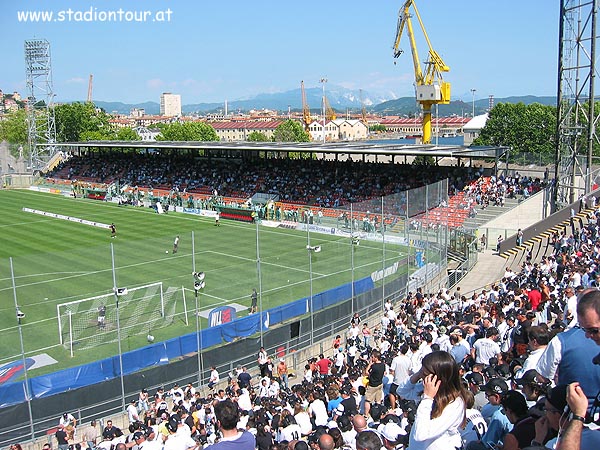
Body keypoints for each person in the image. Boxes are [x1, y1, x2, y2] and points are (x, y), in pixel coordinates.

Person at [395, 351, 467, 450]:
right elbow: (402, 391)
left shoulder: (455, 403)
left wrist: (427, 398)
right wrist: (417, 375)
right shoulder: (429, 390)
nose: (423, 377)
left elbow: (421, 434)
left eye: (425, 374)